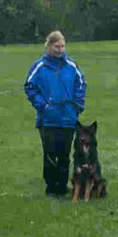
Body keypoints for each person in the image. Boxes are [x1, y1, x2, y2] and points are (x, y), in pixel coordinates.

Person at [24, 30, 86, 197]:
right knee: (50, 153)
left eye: (63, 46)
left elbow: (81, 84)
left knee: (65, 153)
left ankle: (62, 185)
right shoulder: (40, 67)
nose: (60, 50)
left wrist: (77, 105)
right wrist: (42, 106)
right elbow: (29, 87)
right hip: (48, 119)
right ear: (49, 46)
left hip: (68, 117)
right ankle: (51, 186)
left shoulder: (71, 66)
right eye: (57, 46)